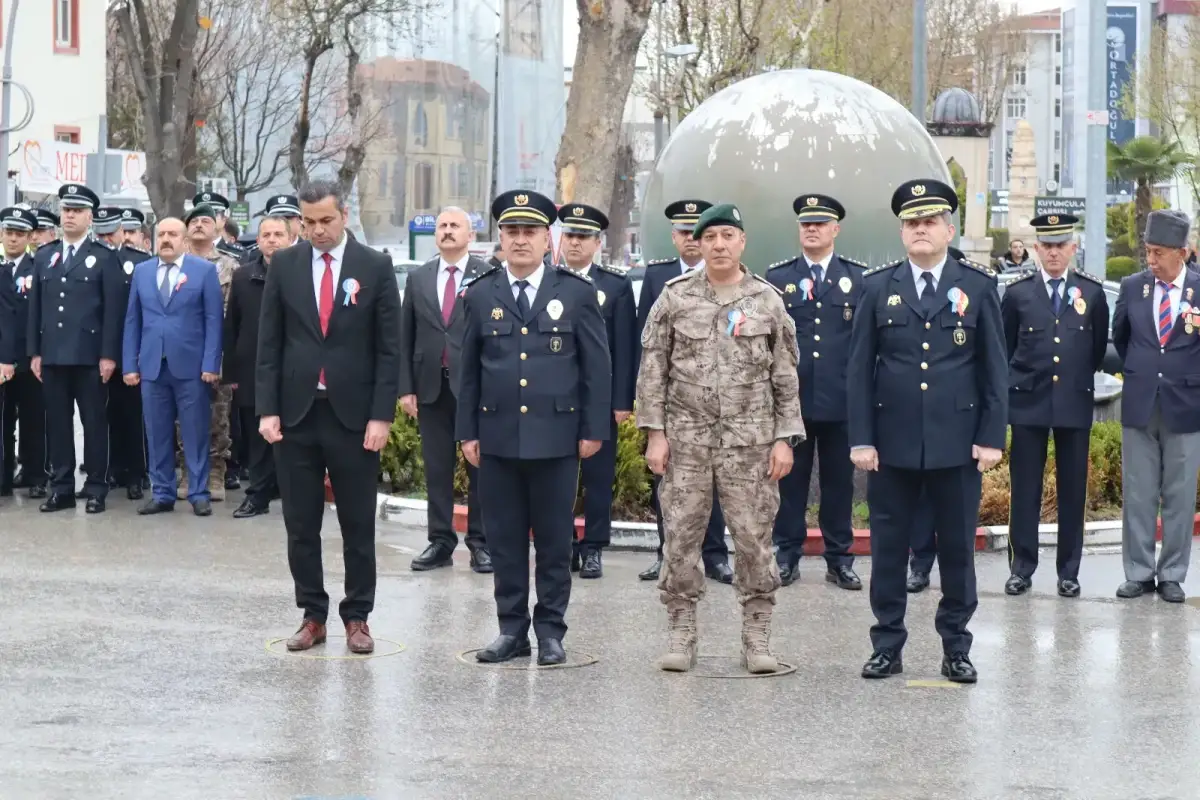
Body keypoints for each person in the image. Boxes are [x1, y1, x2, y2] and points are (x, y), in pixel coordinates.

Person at [847, 179, 1007, 683]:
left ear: (949, 229)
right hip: (891, 445)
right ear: (902, 232)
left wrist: (990, 437)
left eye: (929, 222)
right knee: (889, 548)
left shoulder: (977, 286)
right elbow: (858, 370)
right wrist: (861, 437)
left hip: (957, 444)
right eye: (912, 223)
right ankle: (886, 645)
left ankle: (956, 647)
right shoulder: (878, 287)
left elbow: (993, 369)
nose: (920, 230)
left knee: (958, 550)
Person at [637, 203, 803, 674]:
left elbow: (785, 375)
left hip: (750, 445)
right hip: (686, 443)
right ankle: (681, 628)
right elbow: (653, 372)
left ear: (742, 242)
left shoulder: (766, 300)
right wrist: (655, 435)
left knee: (753, 539)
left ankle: (756, 633)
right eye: (710, 237)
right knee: (682, 537)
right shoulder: (674, 298)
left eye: (728, 235)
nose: (718, 244)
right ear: (699, 244)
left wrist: (784, 439)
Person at [456, 189, 610, 665]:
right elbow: (468, 371)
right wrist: (467, 432)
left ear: (549, 238)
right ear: (500, 237)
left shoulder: (577, 293)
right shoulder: (481, 294)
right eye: (511, 232)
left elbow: (595, 368)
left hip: (557, 438)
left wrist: (593, 428)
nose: (520, 240)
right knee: (503, 539)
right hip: (498, 437)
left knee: (554, 538)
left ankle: (550, 631)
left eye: (530, 232)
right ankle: (511, 630)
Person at [257, 179, 401, 655]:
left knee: (357, 524)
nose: (317, 231)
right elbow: (270, 344)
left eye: (326, 221)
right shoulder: (286, 264)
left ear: (344, 217)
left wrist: (381, 416)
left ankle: (357, 616)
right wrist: (268, 409)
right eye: (308, 222)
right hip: (297, 415)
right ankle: (312, 614)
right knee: (301, 524)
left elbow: (388, 348)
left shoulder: (374, 267)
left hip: (353, 418)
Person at [1000, 213, 1109, 598]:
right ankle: (1021, 568)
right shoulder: (1017, 294)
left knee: (1072, 491)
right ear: (1035, 249)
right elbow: (1006, 348)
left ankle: (1069, 571)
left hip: (1073, 404)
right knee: (1024, 489)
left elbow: (1095, 352)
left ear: (1073, 248)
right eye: (1046, 245)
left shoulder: (1091, 294)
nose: (1053, 253)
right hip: (1028, 402)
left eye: (1060, 245)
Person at [765, 193, 864, 590]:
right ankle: (786, 555)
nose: (812, 229)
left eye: (820, 223)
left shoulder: (858, 278)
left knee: (840, 485)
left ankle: (839, 558)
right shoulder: (778, 278)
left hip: (841, 401)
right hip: (794, 401)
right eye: (806, 223)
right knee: (790, 483)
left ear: (835, 229)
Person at [635, 199, 732, 584]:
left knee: (717, 481)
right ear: (674, 238)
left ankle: (716, 555)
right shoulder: (659, 278)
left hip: (720, 403)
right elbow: (646, 348)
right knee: (670, 485)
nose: (692, 240)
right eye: (683, 232)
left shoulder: (729, 278)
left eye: (699, 232)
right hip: (676, 405)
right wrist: (646, 407)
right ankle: (667, 553)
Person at [1111, 209, 1200, 604]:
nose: (1151, 261)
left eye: (1158, 253)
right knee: (1138, 492)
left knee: (1179, 496)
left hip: (1185, 405)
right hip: (1140, 403)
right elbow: (1122, 337)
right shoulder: (1133, 287)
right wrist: (1143, 371)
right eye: (1148, 251)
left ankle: (1172, 574)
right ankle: (1139, 572)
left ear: (1182, 252)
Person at [398, 206, 491, 573]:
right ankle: (440, 541)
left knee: (480, 467)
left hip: (476, 390)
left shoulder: (487, 276)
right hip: (431, 388)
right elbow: (406, 336)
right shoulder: (419, 278)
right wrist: (406, 387)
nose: (448, 231)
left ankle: (480, 542)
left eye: (455, 226)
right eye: (443, 226)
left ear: (471, 235)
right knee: (437, 469)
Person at [28, 184, 124, 514]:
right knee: (56, 423)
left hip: (89, 356)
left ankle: (96, 486)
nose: (69, 215)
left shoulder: (103, 257)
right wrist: (35, 352)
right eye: (66, 209)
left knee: (94, 422)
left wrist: (109, 354)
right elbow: (36, 310)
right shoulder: (45, 256)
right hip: (53, 354)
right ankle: (62, 486)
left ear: (90, 217)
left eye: (77, 210)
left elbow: (113, 312)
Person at [122, 218, 223, 516]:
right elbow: (133, 321)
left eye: (172, 234)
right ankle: (163, 492)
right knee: (157, 433)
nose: (166, 239)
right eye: (161, 234)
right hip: (152, 367)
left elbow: (214, 321)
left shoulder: (203, 271)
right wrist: (130, 364)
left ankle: (198, 492)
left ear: (184, 239)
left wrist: (210, 363)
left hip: (192, 367)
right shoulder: (142, 272)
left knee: (195, 432)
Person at [558, 203, 637, 579]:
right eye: (569, 235)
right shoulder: (549, 279)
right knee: (558, 477)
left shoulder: (615, 285)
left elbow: (625, 348)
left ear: (597, 242)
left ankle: (593, 547)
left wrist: (622, 401)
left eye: (582, 237)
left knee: (598, 478)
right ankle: (564, 544)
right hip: (555, 399)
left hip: (598, 400)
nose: (574, 243)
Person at [224, 215, 289, 519]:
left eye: (278, 234)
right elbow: (232, 327)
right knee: (257, 437)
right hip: (252, 368)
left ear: (290, 237)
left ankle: (291, 493)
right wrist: (232, 372)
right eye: (266, 234)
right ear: (258, 240)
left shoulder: (301, 275)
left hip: (293, 370)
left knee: (292, 437)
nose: (272, 240)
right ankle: (258, 495)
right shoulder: (242, 277)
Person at [177, 204, 240, 500]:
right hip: (180, 350)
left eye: (206, 220)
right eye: (194, 221)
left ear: (217, 228)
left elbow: (235, 313)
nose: (199, 225)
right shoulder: (173, 262)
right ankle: (188, 473)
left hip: (217, 350)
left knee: (218, 415)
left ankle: (215, 473)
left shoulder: (230, 266)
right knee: (182, 416)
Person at [93, 207, 153, 500]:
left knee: (133, 415)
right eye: (100, 233)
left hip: (129, 352)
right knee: (105, 416)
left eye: (112, 232)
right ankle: (112, 469)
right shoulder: (92, 260)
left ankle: (136, 473)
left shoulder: (138, 262)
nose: (107, 238)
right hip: (95, 352)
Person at [0, 207, 47, 498]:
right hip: (2, 360)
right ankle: (4, 476)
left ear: (30, 237)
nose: (13, 239)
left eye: (20, 234)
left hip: (31, 360)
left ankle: (36, 475)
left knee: (34, 421)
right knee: (5, 422)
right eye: (9, 233)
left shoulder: (38, 268)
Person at [192, 191, 245, 261]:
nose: (206, 219)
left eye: (212, 215)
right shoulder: (185, 251)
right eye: (200, 215)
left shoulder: (237, 253)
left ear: (224, 220)